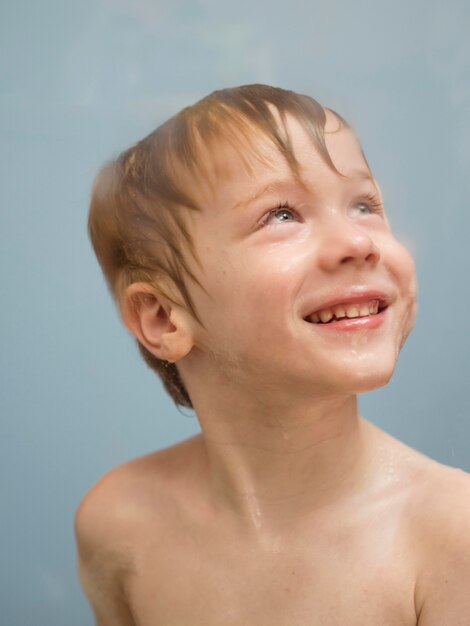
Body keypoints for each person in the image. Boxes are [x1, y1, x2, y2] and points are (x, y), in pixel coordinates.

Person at [75, 84, 470, 625]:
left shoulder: (450, 536)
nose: (358, 241)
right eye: (281, 215)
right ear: (164, 318)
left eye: (364, 204)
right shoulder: (119, 524)